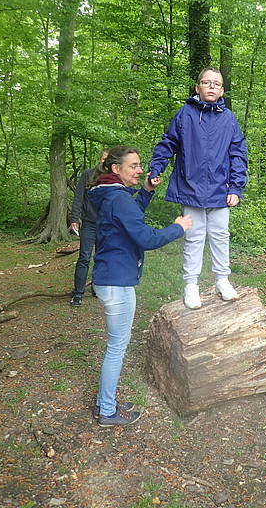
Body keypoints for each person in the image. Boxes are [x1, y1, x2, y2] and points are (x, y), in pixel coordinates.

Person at [88, 145, 192, 427]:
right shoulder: (118, 197)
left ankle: (105, 402)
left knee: (115, 346)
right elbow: (146, 238)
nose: (140, 170)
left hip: (111, 278)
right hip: (116, 282)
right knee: (116, 348)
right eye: (133, 166)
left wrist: (146, 191)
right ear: (116, 169)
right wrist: (178, 228)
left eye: (139, 165)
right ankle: (107, 411)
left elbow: (130, 217)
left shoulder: (110, 193)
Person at [148, 67, 248, 310]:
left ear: (222, 90)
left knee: (220, 235)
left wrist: (236, 187)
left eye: (216, 83)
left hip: (221, 190)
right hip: (190, 187)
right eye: (206, 82)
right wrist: (156, 169)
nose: (211, 86)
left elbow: (238, 153)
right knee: (193, 237)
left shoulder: (228, 119)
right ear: (197, 87)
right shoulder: (185, 114)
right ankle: (191, 285)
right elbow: (168, 143)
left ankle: (222, 280)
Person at [69, 149, 109, 307]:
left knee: (101, 257)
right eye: (104, 158)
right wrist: (75, 218)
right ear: (100, 159)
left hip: (106, 224)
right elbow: (78, 197)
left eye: (108, 159)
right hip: (89, 223)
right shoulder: (88, 174)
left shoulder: (113, 177)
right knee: (84, 257)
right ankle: (78, 294)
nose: (105, 162)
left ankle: (96, 287)